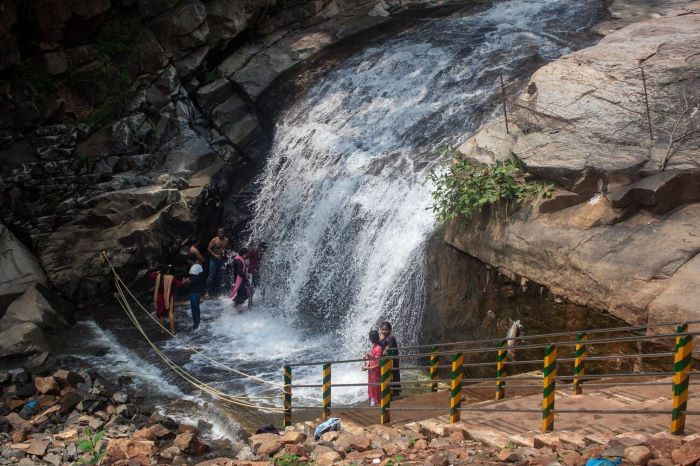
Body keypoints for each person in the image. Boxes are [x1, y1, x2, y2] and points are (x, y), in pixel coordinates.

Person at [149, 264, 187, 335]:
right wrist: (185, 281)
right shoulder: (171, 278)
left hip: (159, 297)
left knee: (160, 313)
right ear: (168, 271)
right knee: (171, 313)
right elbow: (179, 284)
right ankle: (173, 331)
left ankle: (162, 330)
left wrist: (157, 272)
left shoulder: (157, 277)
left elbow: (151, 275)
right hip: (168, 296)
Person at [205, 227, 229, 297]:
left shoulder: (226, 240)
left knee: (222, 275)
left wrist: (226, 256)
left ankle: (222, 291)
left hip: (222, 260)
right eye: (220, 232)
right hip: (214, 259)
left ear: (224, 232)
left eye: (222, 232)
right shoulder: (214, 240)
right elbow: (209, 248)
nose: (221, 233)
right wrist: (215, 255)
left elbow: (226, 249)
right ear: (217, 233)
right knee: (211, 275)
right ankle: (207, 291)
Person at [379, 321, 401, 398]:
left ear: (390, 330)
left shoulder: (391, 338)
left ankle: (393, 395)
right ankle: (390, 394)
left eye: (386, 330)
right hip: (388, 361)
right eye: (382, 329)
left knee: (393, 376)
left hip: (392, 362)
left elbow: (386, 350)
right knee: (389, 377)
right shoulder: (384, 338)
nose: (384, 331)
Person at [362, 330, 383, 406]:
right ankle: (374, 401)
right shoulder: (374, 346)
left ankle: (377, 401)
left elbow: (379, 364)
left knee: (376, 386)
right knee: (372, 385)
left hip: (375, 370)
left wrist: (367, 368)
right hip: (372, 370)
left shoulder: (378, 348)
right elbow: (374, 358)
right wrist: (368, 356)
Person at [187, 254, 205, 331]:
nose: (187, 261)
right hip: (198, 290)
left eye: (188, 260)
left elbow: (193, 281)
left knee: (194, 308)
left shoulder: (192, 269)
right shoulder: (199, 266)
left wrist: (187, 281)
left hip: (193, 291)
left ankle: (195, 325)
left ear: (191, 260)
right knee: (197, 307)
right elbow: (200, 277)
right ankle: (198, 322)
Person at [229, 247, 250, 313]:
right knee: (242, 293)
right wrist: (245, 278)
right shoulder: (239, 261)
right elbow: (240, 272)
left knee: (241, 292)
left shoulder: (237, 258)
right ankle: (239, 310)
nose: (247, 255)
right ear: (243, 254)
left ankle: (236, 303)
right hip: (239, 279)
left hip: (237, 279)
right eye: (247, 254)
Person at [247, 241, 267, 305]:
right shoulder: (254, 252)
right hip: (252, 271)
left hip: (256, 271)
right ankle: (250, 302)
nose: (263, 250)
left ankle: (263, 299)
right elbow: (246, 256)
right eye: (263, 249)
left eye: (264, 249)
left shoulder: (260, 253)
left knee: (258, 285)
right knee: (254, 286)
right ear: (259, 247)